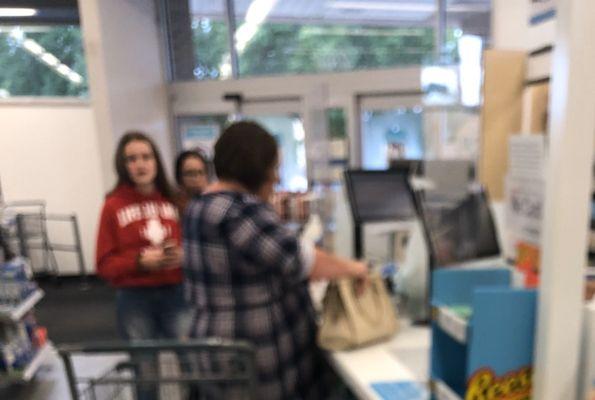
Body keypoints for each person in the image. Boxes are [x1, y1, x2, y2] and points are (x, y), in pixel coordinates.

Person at [183, 121, 369, 399]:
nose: (276, 179)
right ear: (256, 169)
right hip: (253, 355)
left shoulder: (200, 206)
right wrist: (355, 268)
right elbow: (299, 259)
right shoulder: (239, 210)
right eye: (273, 168)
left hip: (217, 344)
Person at [95, 132, 190, 399]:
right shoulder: (112, 206)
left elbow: (196, 247)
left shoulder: (175, 200)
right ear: (122, 165)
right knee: (146, 373)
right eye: (131, 159)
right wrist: (138, 262)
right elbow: (103, 264)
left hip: (178, 293)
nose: (140, 164)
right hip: (135, 299)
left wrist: (184, 256)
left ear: (156, 161)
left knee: (194, 365)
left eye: (146, 157)